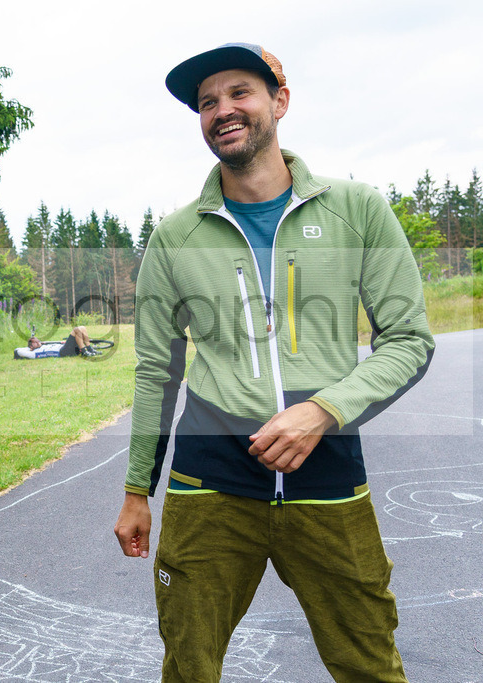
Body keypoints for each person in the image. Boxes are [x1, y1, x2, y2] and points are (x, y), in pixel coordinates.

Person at [114, 43, 434, 682]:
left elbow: (408, 339)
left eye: (240, 93)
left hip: (328, 475)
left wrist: (323, 410)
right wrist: (135, 491)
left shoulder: (357, 209)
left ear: (279, 102)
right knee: (189, 666)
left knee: (370, 665)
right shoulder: (175, 236)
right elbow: (157, 370)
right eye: (207, 102)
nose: (222, 110)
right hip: (208, 483)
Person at [13, 326, 100, 358]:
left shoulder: (43, 346)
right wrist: (29, 348)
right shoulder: (33, 353)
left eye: (37, 340)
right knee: (76, 330)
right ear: (31, 347)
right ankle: (85, 352)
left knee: (82, 328)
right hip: (62, 352)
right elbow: (18, 350)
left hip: (64, 348)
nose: (37, 341)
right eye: (34, 342)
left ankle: (90, 349)